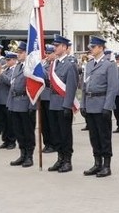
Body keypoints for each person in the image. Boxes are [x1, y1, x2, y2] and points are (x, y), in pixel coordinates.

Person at [81, 35, 118, 178]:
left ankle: (106, 165)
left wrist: (107, 107)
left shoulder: (109, 65)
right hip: (90, 104)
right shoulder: (89, 64)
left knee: (104, 136)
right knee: (94, 136)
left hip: (102, 103)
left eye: (93, 47)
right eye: (91, 47)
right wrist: (83, 104)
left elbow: (113, 88)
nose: (91, 49)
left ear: (101, 48)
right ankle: (97, 163)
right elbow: (84, 86)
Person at [47, 34, 78, 173]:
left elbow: (71, 87)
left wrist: (67, 105)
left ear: (64, 47)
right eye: (54, 46)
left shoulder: (70, 65)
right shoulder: (54, 64)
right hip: (53, 103)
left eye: (57, 46)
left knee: (65, 134)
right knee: (56, 134)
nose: (55, 48)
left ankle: (67, 160)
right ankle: (59, 158)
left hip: (63, 104)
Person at [8, 47, 36, 167]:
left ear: (26, 53)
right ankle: (22, 154)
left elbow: (35, 88)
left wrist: (32, 105)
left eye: (20, 52)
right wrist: (9, 103)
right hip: (15, 102)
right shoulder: (18, 66)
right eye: (17, 53)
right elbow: (12, 85)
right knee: (18, 131)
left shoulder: (31, 67)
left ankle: (29, 156)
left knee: (27, 132)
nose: (18, 55)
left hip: (25, 102)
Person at [0, 47, 18, 150]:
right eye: (6, 60)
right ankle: (5, 140)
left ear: (14, 60)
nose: (7, 62)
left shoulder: (15, 70)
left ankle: (11, 141)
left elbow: (10, 82)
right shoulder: (6, 69)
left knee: (10, 122)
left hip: (8, 99)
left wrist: (1, 74)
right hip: (0, 98)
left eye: (9, 60)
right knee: (2, 122)